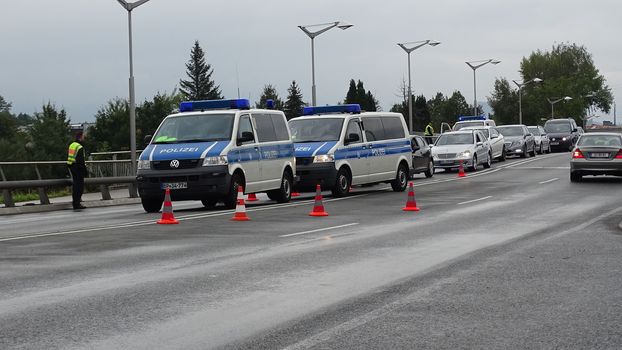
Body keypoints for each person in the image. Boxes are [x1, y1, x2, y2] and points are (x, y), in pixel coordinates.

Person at [67, 132, 87, 210]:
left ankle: (75, 203)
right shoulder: (79, 147)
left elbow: (70, 157)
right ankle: (77, 203)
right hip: (78, 168)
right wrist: (85, 170)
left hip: (72, 166)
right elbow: (80, 160)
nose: (84, 139)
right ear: (80, 138)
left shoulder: (72, 145)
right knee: (79, 187)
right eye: (83, 137)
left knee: (75, 185)